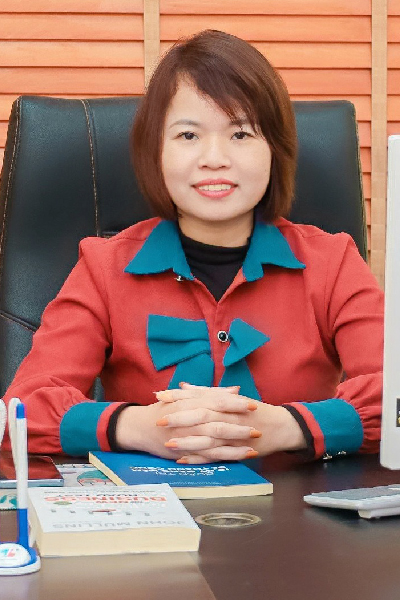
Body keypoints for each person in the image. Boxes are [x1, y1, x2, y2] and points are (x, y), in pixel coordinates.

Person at [3, 30, 383, 464]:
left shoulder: (333, 262)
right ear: (155, 152)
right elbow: (20, 413)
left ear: (275, 150)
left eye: (240, 134)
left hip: (300, 503)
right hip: (151, 504)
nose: (214, 158)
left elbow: (393, 397)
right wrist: (135, 426)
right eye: (188, 135)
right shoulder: (103, 266)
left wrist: (287, 426)